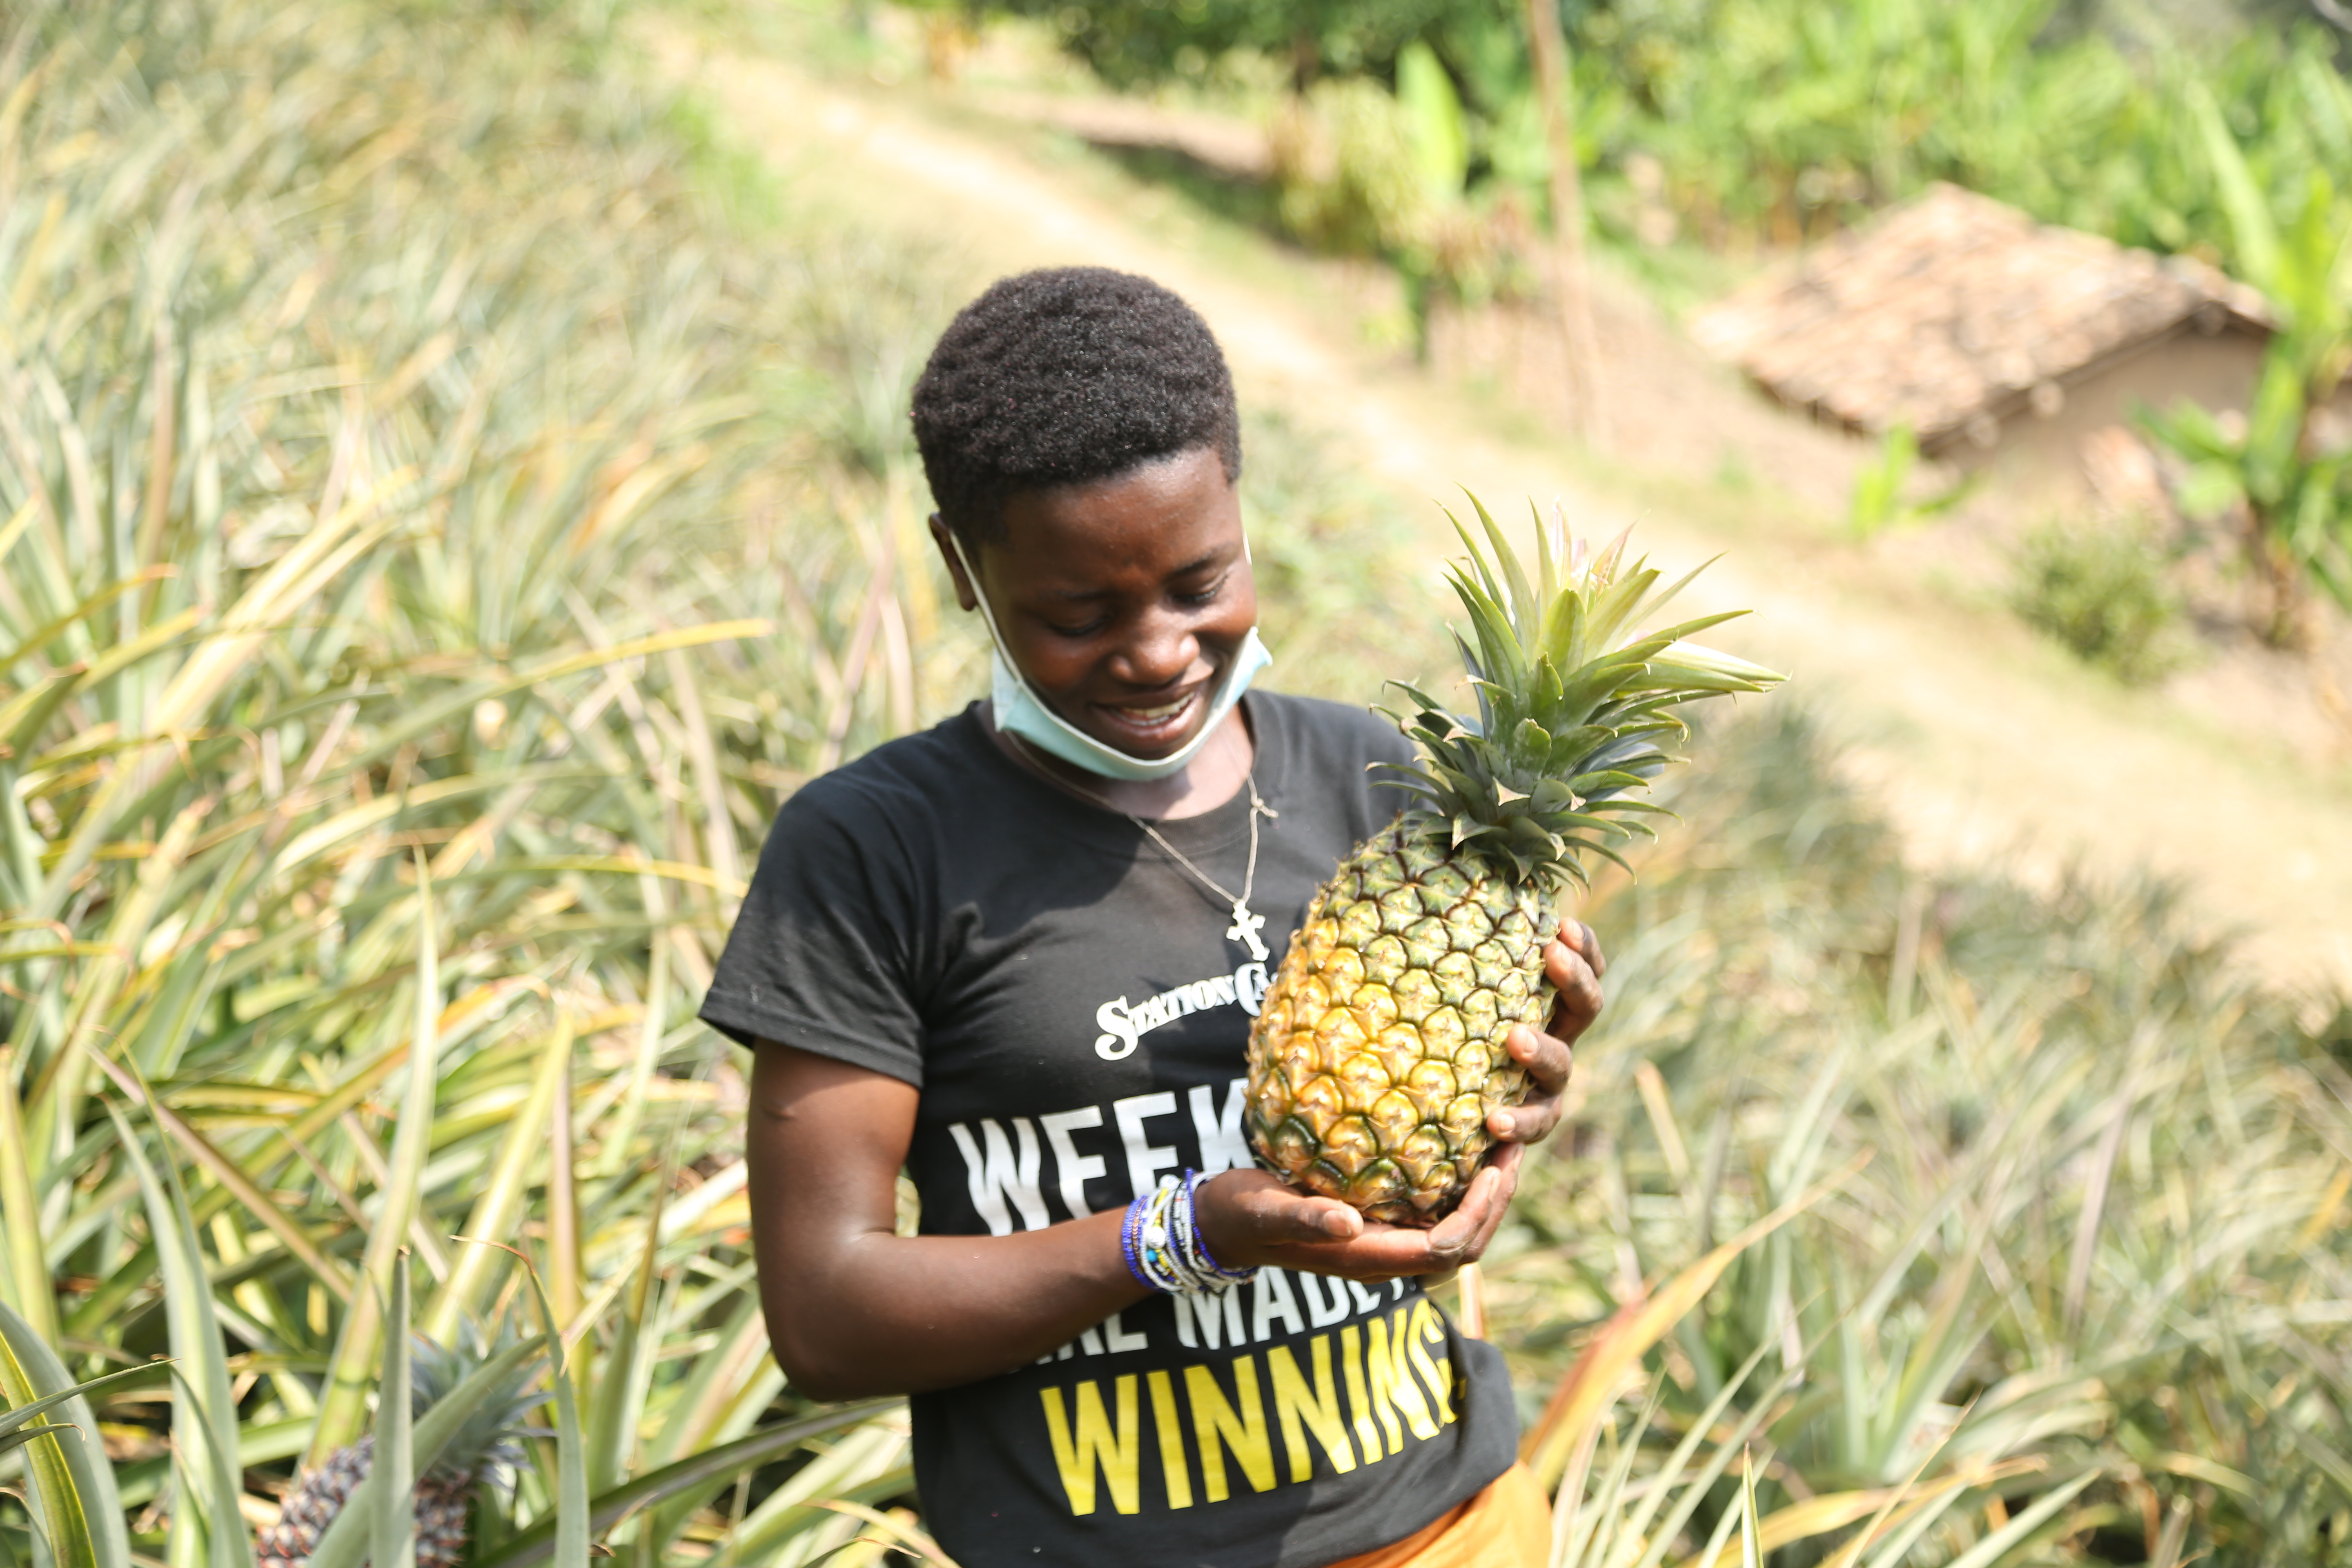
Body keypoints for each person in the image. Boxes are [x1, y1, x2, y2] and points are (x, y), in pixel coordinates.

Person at [699, 266, 1606, 1568]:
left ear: (1239, 495)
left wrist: (1507, 1115)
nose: (1160, 652)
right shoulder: (876, 847)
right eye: (1081, 614)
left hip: (1455, 1530)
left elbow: (1452, 1154)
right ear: (964, 563)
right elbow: (828, 1315)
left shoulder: (1379, 782)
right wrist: (1176, 1235)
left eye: (1202, 581)